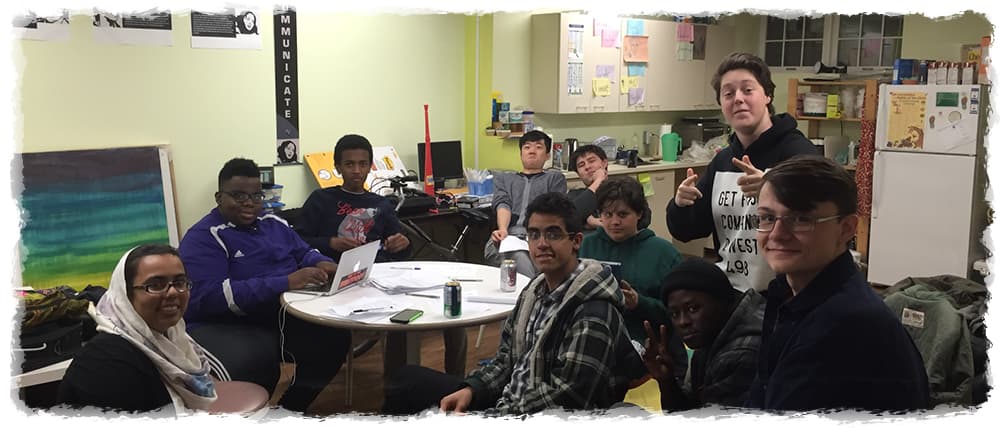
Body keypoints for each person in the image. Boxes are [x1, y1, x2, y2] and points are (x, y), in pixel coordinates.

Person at [382, 192, 644, 415]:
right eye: (534, 234)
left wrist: (496, 416)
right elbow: (506, 360)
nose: (541, 244)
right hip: (510, 401)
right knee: (405, 380)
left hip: (538, 416)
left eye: (553, 234)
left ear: (576, 241)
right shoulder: (534, 290)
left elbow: (568, 399)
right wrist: (472, 389)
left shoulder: (594, 308)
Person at [745, 155, 929, 411]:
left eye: (800, 219)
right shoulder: (788, 293)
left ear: (846, 228)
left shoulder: (844, 324)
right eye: (766, 218)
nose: (776, 234)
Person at [178, 158, 351, 413]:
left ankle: (288, 410)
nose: (249, 203)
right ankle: (253, 412)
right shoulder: (203, 237)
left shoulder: (275, 223)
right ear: (219, 197)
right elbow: (210, 297)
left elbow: (304, 251)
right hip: (228, 322)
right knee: (258, 359)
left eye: (256, 195)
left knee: (333, 338)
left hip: (280, 313)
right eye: (238, 195)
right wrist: (286, 281)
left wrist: (322, 262)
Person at [666, 52, 816, 292]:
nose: (737, 99)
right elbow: (688, 231)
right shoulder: (723, 161)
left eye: (747, 90)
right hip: (731, 293)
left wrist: (773, 190)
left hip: (786, 294)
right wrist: (681, 205)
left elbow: (820, 214)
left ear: (767, 95)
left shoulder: (798, 153)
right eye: (728, 93)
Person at [58, 244, 217, 414]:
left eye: (179, 282)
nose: (172, 292)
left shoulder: (175, 336)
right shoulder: (105, 363)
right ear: (126, 294)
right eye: (155, 285)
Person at [578, 176, 684, 361]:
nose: (614, 222)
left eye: (622, 214)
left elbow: (677, 315)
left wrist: (639, 303)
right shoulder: (585, 247)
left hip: (647, 346)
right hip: (590, 339)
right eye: (607, 214)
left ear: (639, 214)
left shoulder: (664, 253)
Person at [641, 258, 764, 411]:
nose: (682, 322)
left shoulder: (740, 354)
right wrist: (667, 381)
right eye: (674, 314)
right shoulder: (711, 332)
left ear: (722, 300)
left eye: (693, 309)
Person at [298, 134, 411, 263]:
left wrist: (404, 244)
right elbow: (296, 241)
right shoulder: (320, 199)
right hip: (331, 272)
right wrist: (330, 243)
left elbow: (398, 249)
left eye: (362, 164)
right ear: (338, 167)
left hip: (375, 271)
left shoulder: (382, 204)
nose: (357, 170)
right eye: (349, 164)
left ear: (370, 167)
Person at [485, 130, 567, 278]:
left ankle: (528, 295)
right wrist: (503, 230)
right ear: (521, 153)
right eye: (527, 147)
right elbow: (503, 204)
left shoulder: (554, 179)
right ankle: (531, 294)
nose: (532, 151)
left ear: (547, 155)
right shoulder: (505, 179)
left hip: (539, 237)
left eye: (538, 147)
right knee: (516, 256)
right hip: (507, 237)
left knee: (520, 259)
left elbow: (555, 209)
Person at [567, 144, 609, 232]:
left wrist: (587, 220)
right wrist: (598, 180)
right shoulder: (574, 195)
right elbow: (568, 219)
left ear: (604, 163)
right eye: (581, 165)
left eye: (591, 161)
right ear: (578, 174)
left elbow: (643, 220)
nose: (587, 167)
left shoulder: (622, 189)